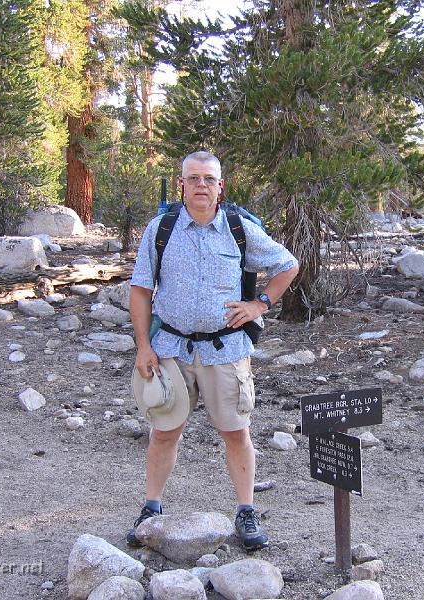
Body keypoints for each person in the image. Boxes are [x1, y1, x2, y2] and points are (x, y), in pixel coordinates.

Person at [127, 151, 299, 550]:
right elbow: (140, 289)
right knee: (164, 432)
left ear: (221, 186)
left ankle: (246, 511)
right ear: (182, 183)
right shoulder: (161, 229)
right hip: (170, 348)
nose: (201, 185)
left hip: (226, 350)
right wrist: (143, 346)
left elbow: (287, 264)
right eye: (193, 178)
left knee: (237, 432)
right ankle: (152, 508)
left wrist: (260, 305)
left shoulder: (238, 229)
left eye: (209, 179)